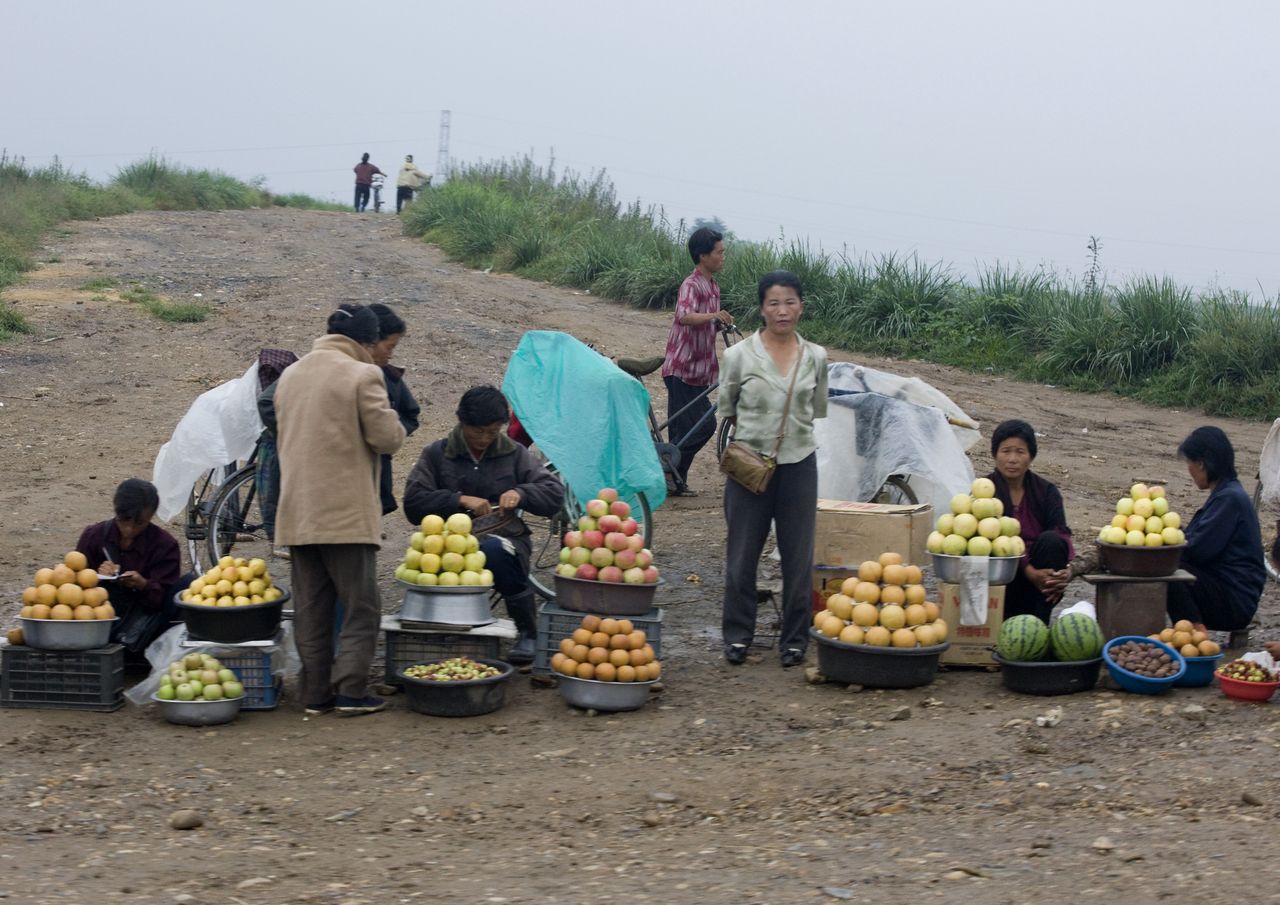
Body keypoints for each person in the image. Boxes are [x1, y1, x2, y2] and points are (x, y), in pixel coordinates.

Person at [273, 304, 407, 716]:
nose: (383, 354)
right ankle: (350, 691)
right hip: (344, 516)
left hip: (297, 512)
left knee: (311, 609)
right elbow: (387, 438)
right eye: (380, 345)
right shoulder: (362, 374)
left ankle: (314, 694)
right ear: (364, 343)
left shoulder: (290, 375)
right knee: (361, 606)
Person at [403, 386, 565, 664]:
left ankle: (527, 630)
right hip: (446, 544)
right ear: (462, 423)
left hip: (505, 538)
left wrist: (522, 493)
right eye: (478, 431)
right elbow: (413, 503)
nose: (485, 439)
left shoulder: (513, 453)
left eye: (492, 432)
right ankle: (440, 631)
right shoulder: (437, 454)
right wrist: (458, 500)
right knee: (429, 562)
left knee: (495, 551)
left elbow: (553, 493)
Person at [718, 270, 827, 668]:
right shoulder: (737, 356)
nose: (782, 311)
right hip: (748, 467)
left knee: (798, 556)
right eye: (774, 303)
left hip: (799, 465)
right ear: (762, 308)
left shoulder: (816, 357)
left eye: (790, 302)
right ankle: (737, 636)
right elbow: (727, 409)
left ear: (801, 306)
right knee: (741, 554)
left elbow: (815, 412)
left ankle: (795, 639)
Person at [1165, 426, 1265, 631]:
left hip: (1234, 602)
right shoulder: (1226, 495)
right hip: (1226, 591)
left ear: (1201, 464)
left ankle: (1195, 635)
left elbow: (1198, 550)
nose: (1189, 470)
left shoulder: (1230, 499)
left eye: (1189, 463)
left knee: (1168, 570)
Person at [660, 226, 733, 495]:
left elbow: (705, 322)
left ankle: (674, 480)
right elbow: (685, 316)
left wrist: (720, 322)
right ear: (703, 256)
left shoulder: (713, 286)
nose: (723, 257)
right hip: (681, 367)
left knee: (685, 430)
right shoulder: (691, 284)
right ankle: (665, 466)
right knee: (703, 425)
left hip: (701, 370)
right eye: (719, 252)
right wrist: (713, 315)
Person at [75, 478, 184, 655]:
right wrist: (96, 576)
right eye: (123, 520)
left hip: (145, 630)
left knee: (187, 585)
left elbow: (166, 597)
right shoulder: (94, 536)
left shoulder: (165, 545)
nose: (129, 529)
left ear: (150, 517)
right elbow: (73, 587)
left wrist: (143, 584)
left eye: (139, 523)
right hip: (99, 628)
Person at [987, 419, 1074, 623]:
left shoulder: (1046, 491)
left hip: (1040, 579)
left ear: (1031, 456)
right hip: (1004, 578)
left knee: (1052, 541)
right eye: (1005, 451)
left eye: (1020, 452)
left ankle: (1039, 623)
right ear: (995, 454)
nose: (1012, 459)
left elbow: (1061, 532)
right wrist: (1027, 570)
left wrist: (1065, 572)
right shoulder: (984, 492)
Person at [368, 303, 421, 514]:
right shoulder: (336, 372)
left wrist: (390, 433)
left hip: (376, 471)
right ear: (370, 341)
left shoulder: (389, 378)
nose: (390, 355)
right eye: (389, 347)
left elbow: (411, 414)